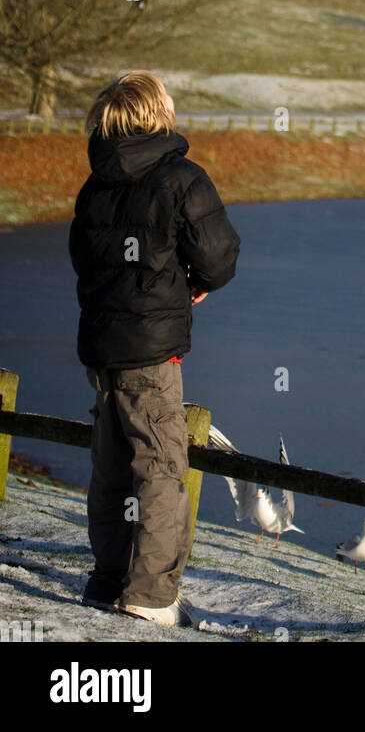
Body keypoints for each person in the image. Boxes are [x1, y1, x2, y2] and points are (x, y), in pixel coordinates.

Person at [69, 71, 240, 626]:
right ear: (159, 112)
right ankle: (151, 597)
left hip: (103, 348)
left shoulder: (96, 182)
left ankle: (109, 580)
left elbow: (86, 260)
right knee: (162, 468)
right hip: (151, 352)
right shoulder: (180, 179)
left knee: (112, 466)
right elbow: (218, 255)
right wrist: (192, 284)